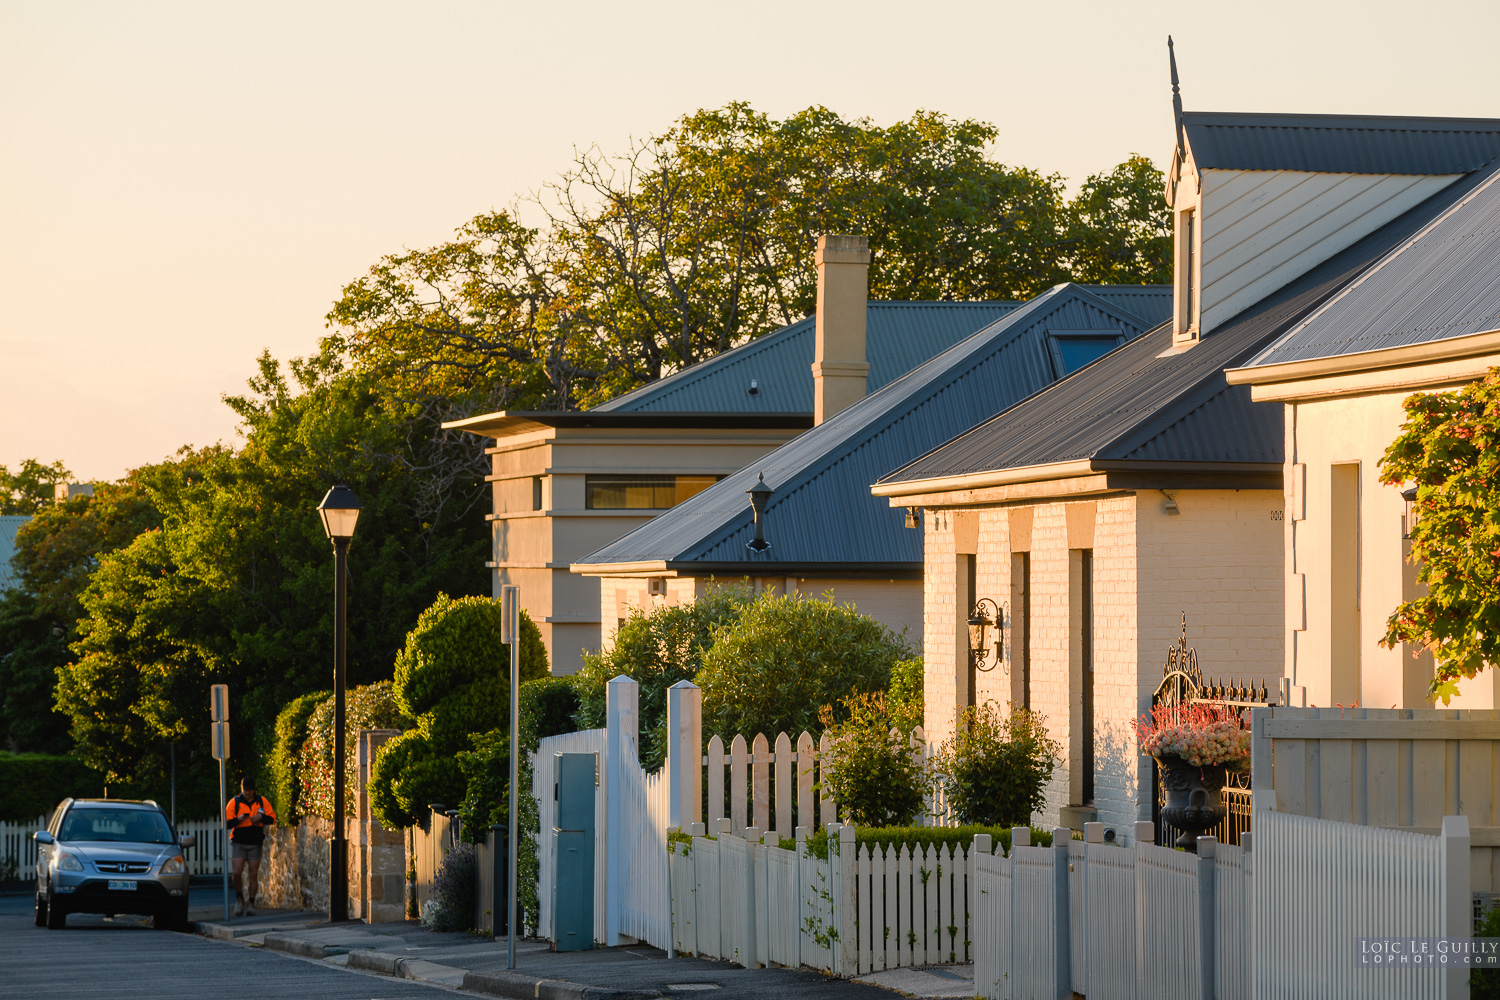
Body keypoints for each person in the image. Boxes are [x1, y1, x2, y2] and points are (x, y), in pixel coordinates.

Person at [225, 777, 277, 916]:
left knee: (253, 874)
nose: (247, 792)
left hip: (255, 842)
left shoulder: (261, 801)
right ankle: (239, 898)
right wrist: (238, 819)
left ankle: (251, 903)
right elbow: (226, 823)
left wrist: (260, 817)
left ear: (253, 789)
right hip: (239, 842)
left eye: (250, 790)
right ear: (241, 789)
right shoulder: (234, 803)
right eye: (245, 790)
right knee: (236, 872)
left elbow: (272, 818)